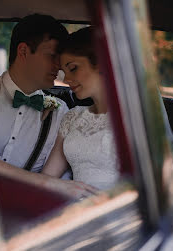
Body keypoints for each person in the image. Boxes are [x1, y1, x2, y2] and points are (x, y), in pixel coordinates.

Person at [0, 14, 97, 197]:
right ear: (24, 51)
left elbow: (63, 181)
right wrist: (49, 183)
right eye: (52, 56)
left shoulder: (60, 113)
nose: (59, 67)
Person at [42, 27, 119, 190]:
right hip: (75, 210)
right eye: (64, 72)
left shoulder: (135, 118)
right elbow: (47, 178)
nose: (67, 79)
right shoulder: (72, 117)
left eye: (73, 68)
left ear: (100, 63)